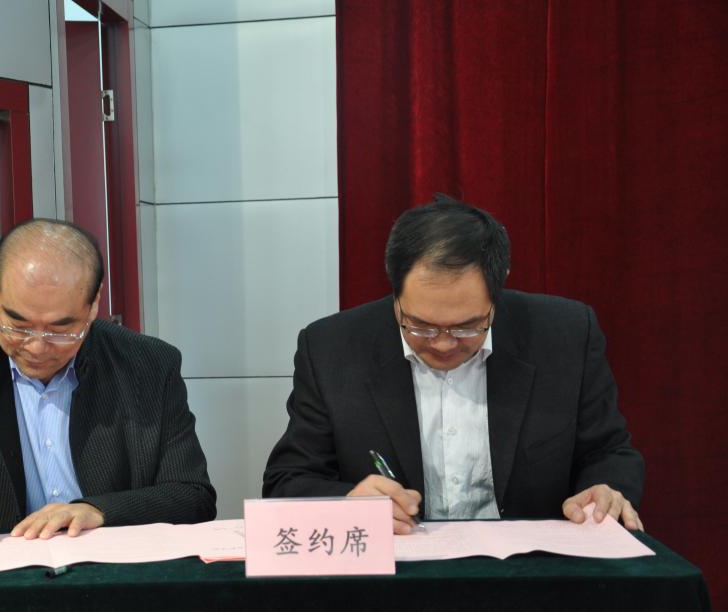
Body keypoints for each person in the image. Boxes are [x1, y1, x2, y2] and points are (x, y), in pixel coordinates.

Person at [262, 195, 644, 534]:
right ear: (395, 291)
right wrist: (348, 504)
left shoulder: (564, 335)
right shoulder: (332, 348)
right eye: (420, 326)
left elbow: (609, 452)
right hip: (398, 568)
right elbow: (287, 481)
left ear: (498, 290)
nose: (443, 344)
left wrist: (604, 491)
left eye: (467, 327)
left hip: (532, 569)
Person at [0, 219, 216, 541]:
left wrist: (98, 510)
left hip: (110, 574)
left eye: (61, 329)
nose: (37, 346)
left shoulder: (148, 366)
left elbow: (192, 496)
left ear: (93, 305)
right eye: (17, 325)